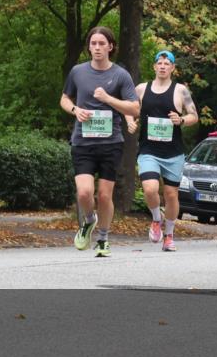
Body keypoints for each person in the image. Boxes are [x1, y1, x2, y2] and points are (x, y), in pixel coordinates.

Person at [59, 26, 140, 258]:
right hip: (82, 141)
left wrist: (108, 98)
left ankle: (103, 238)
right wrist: (75, 110)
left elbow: (134, 107)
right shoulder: (77, 72)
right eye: (93, 44)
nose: (96, 48)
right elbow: (64, 99)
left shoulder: (120, 75)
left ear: (110, 47)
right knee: (84, 193)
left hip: (110, 143)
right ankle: (89, 220)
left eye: (101, 44)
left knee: (104, 195)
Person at [126, 50, 198, 252]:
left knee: (171, 195)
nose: (163, 66)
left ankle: (169, 234)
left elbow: (194, 115)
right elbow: (128, 108)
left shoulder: (180, 90)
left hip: (173, 152)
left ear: (173, 68)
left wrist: (181, 120)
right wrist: (131, 122)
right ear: (154, 67)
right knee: (149, 188)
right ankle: (156, 220)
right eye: (160, 62)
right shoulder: (141, 89)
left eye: (168, 63)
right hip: (148, 150)